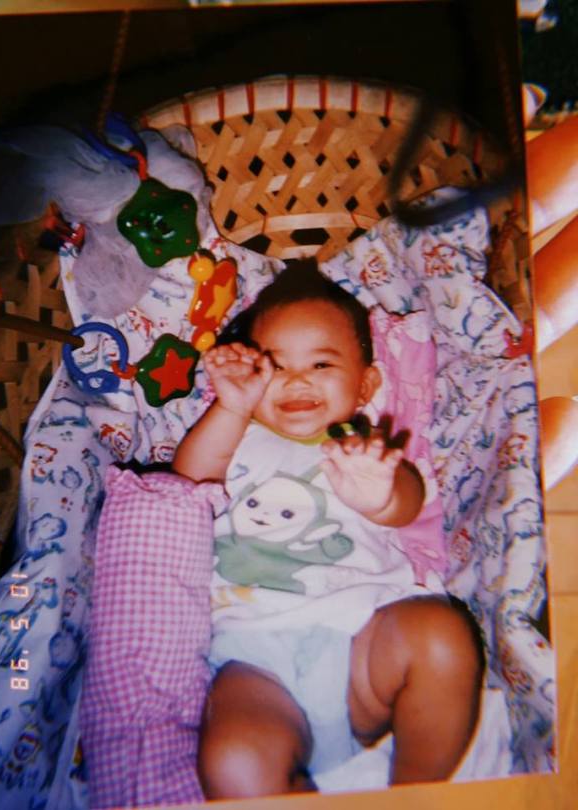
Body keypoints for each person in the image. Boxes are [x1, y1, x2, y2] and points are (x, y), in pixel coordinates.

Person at [173, 259, 484, 798]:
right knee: (233, 763)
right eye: (275, 365)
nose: (297, 380)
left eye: (321, 364)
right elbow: (188, 479)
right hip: (256, 659)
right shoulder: (236, 436)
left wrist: (380, 494)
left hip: (364, 635)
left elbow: (408, 504)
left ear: (365, 385)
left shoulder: (365, 447)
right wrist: (231, 407)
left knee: (442, 636)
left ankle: (414, 792)